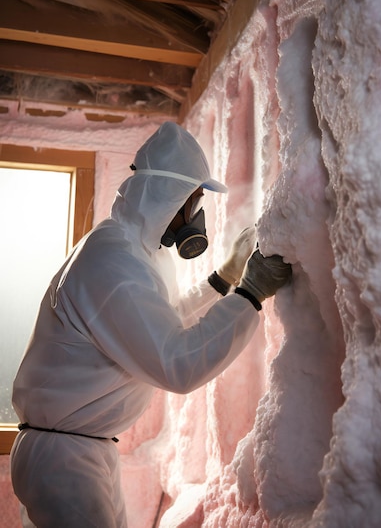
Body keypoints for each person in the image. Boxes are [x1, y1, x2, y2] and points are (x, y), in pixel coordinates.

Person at [10, 121, 292, 528]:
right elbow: (176, 363)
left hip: (81, 451)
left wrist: (223, 281)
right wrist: (250, 293)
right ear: (168, 197)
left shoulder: (132, 251)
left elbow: (163, 323)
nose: (195, 216)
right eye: (192, 203)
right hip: (64, 460)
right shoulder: (114, 263)